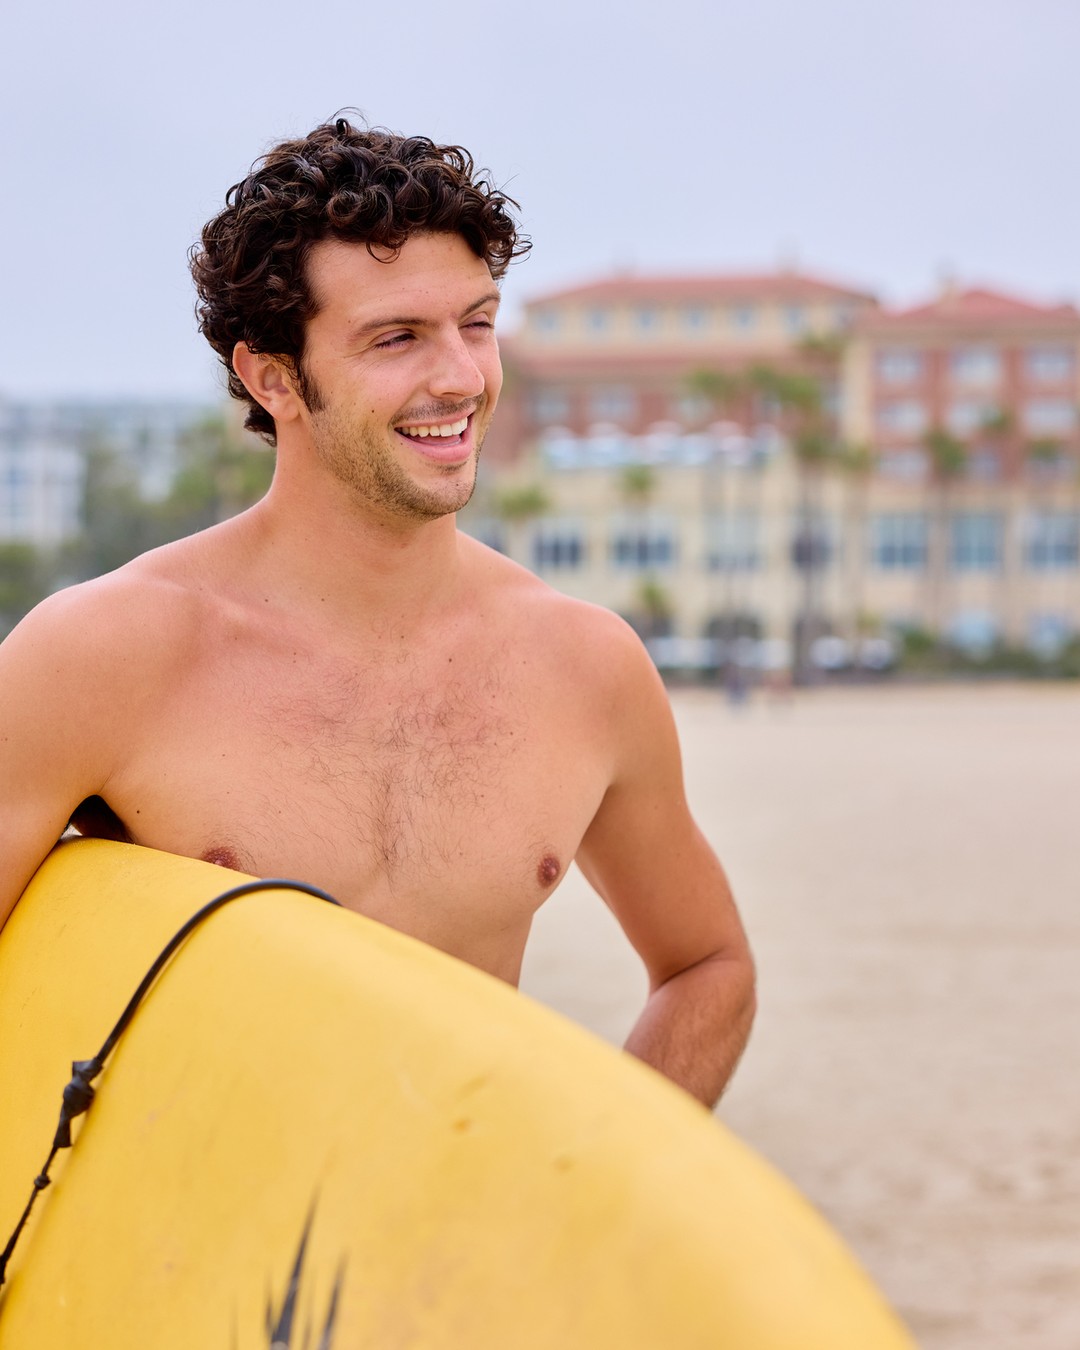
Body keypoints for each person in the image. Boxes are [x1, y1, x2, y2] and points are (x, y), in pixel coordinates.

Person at [0, 117, 754, 1107]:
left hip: (437, 1248)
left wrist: (576, 1198)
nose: (458, 377)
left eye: (475, 323)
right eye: (396, 338)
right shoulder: (105, 654)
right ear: (272, 378)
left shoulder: (584, 667)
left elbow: (708, 967)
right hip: (192, 1242)